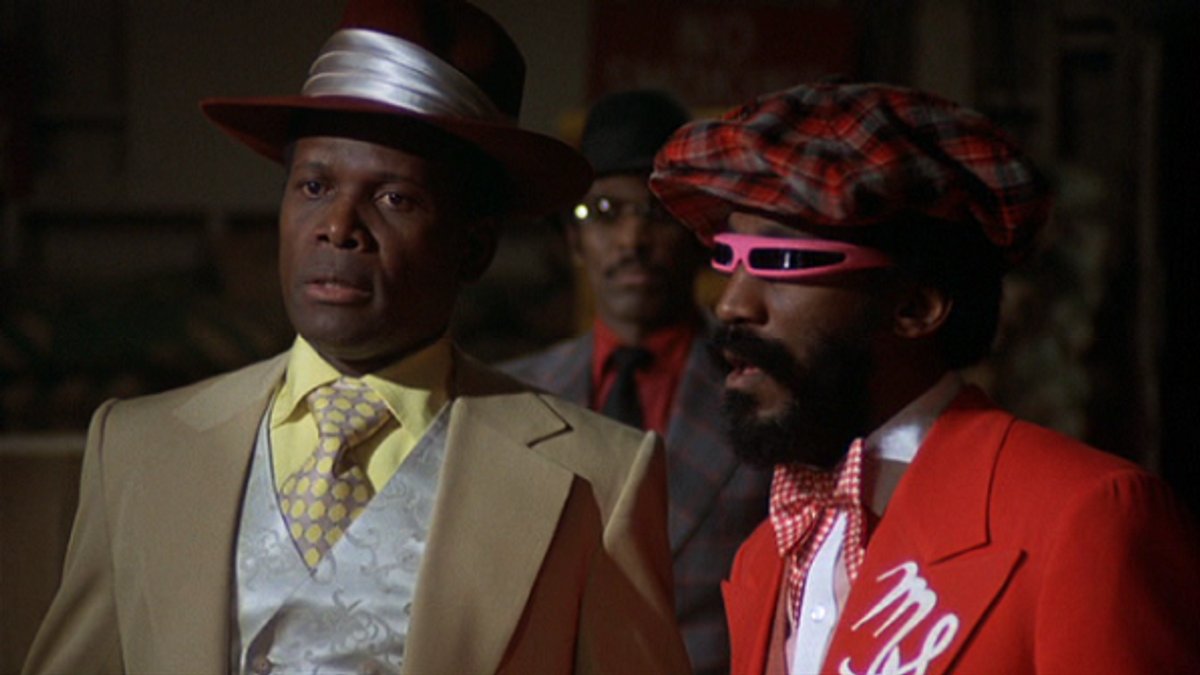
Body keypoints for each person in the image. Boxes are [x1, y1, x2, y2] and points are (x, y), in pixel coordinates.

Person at [22, 2, 691, 673]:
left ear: (474, 245)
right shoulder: (139, 449)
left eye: (394, 198)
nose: (338, 225)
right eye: (314, 186)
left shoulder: (594, 478)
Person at [649, 82, 1200, 674]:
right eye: (727, 257)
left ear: (916, 306)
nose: (732, 304)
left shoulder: (1084, 517)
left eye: (783, 260)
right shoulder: (766, 554)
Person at [503, 89, 771, 675]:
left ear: (700, 237)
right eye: (604, 212)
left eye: (656, 213)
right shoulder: (512, 398)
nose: (631, 240)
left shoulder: (767, 391)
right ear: (573, 241)